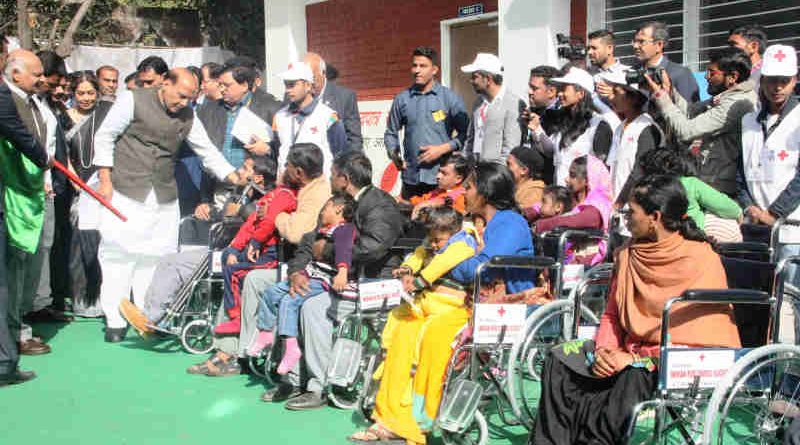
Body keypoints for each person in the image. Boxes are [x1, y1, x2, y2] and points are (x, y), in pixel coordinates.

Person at [531, 175, 741, 445]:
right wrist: (604, 351)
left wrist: (632, 360)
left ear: (655, 217)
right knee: (560, 358)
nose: (625, 217)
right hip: (625, 350)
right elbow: (611, 314)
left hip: (671, 360)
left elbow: (701, 337)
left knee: (634, 375)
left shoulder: (701, 259)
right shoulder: (628, 254)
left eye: (632, 212)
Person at [351, 162, 534, 444]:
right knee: (404, 331)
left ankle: (418, 419)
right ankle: (390, 416)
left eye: (470, 187)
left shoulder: (510, 222)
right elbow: (454, 258)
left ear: (484, 192)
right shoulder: (474, 224)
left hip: (500, 305)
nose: (465, 193)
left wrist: (443, 263)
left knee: (434, 335)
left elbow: (480, 268)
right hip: (466, 301)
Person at [92, 67, 245, 342]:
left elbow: (206, 150)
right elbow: (105, 137)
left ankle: (149, 316)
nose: (183, 103)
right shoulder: (132, 99)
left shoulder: (188, 114)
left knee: (156, 255)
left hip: (163, 193)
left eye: (190, 98)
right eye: (181, 96)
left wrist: (233, 175)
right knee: (119, 254)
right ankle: (114, 319)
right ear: (165, 83)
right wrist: (105, 180)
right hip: (125, 187)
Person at [262, 152, 405, 409]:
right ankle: (293, 379)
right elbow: (309, 240)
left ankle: (318, 386)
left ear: (344, 179)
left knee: (312, 307)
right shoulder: (335, 203)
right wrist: (296, 271)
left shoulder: (380, 205)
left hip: (368, 283)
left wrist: (325, 252)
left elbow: (373, 247)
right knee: (292, 294)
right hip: (330, 278)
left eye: (332, 174)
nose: (328, 178)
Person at [179, 143, 331, 375]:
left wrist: (275, 214)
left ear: (299, 172)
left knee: (251, 279)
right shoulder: (298, 185)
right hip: (284, 259)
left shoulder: (317, 193)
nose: (284, 170)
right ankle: (224, 349)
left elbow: (296, 233)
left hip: (300, 267)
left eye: (288, 166)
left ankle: (238, 354)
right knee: (235, 271)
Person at [250, 192, 357, 375]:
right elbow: (301, 258)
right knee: (272, 292)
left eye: (326, 207)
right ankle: (265, 332)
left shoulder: (345, 229)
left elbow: (344, 250)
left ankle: (291, 346)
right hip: (309, 274)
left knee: (289, 300)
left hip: (324, 278)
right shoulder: (319, 233)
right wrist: (296, 274)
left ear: (338, 209)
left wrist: (342, 271)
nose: (321, 212)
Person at [738, 44, 800, 342]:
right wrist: (749, 207)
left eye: (784, 80)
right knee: (760, 306)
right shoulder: (748, 120)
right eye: (771, 79)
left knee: (793, 305)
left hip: (790, 231)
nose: (777, 87)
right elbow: (741, 169)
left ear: (795, 80)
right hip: (755, 229)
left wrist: (774, 213)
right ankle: (763, 375)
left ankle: (791, 380)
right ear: (761, 80)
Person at [0, 48, 52, 384]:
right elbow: (21, 137)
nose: (41, 79)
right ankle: (4, 363)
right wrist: (43, 157)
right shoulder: (3, 96)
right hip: (9, 198)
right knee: (3, 284)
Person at [648, 46, 757, 198]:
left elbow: (687, 131)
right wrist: (670, 92)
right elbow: (690, 113)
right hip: (712, 180)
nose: (706, 77)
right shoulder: (727, 96)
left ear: (732, 77)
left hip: (723, 188)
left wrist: (662, 98)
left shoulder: (737, 103)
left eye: (712, 73)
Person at [212, 156, 297, 335]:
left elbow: (269, 221)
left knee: (233, 271)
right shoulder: (271, 196)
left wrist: (255, 241)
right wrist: (235, 248)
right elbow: (250, 224)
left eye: (285, 168)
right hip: (258, 250)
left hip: (271, 254)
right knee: (227, 257)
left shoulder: (285, 195)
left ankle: (236, 318)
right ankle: (234, 316)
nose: (280, 173)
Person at [193, 61, 281, 220]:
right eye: (219, 85)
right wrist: (204, 199)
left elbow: (284, 152)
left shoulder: (271, 108)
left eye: (227, 85)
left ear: (244, 85)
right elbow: (206, 155)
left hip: (257, 192)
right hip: (220, 190)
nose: (221, 89)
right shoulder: (209, 110)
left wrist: (268, 149)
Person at [385, 46, 469, 200]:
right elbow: (391, 132)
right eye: (414, 65)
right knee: (410, 219)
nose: (417, 70)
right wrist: (393, 153)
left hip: (441, 178)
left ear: (434, 70)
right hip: (411, 177)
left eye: (423, 66)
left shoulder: (449, 98)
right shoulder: (402, 99)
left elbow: (467, 134)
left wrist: (442, 149)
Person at [63, 71, 113, 317]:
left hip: (103, 188)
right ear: (73, 93)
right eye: (80, 93)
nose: (85, 98)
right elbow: (62, 155)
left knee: (101, 243)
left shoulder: (106, 116)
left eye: (90, 93)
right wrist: (79, 187)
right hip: (76, 187)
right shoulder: (65, 118)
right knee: (77, 245)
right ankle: (81, 299)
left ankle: (104, 297)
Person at [530, 67, 612, 185]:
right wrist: (537, 129)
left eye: (564, 89)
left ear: (580, 93)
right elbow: (552, 151)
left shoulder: (598, 125)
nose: (560, 94)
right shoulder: (563, 121)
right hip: (561, 197)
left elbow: (601, 170)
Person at [641, 147, 743, 243]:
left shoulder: (645, 190)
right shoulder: (689, 183)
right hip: (694, 236)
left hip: (660, 238)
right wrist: (738, 212)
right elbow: (723, 205)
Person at [530, 155, 612, 265]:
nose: (567, 179)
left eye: (572, 175)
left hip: (581, 266)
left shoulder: (598, 204)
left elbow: (576, 220)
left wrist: (541, 225)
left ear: (587, 180)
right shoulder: (572, 197)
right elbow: (543, 205)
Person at [598, 71, 662, 205]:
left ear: (633, 97)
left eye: (616, 93)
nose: (611, 98)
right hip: (615, 203)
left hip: (634, 205)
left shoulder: (647, 127)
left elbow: (639, 171)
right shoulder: (619, 128)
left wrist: (620, 202)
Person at [273, 61, 347, 176]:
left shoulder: (328, 116)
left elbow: (341, 154)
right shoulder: (280, 116)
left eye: (292, 85)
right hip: (287, 186)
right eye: (286, 85)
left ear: (308, 85)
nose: (288, 90)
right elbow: (277, 149)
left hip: (318, 187)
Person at [461, 53, 524, 162]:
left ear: (488, 79)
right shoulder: (479, 102)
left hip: (495, 173)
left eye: (475, 77)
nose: (471, 81)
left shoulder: (513, 103)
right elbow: (471, 137)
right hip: (476, 169)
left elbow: (511, 146)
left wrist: (498, 173)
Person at [303, 52, 363, 151]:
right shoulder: (294, 97)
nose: (309, 83)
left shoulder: (345, 97)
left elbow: (354, 138)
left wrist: (348, 163)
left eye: (313, 78)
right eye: (305, 79)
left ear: (323, 73)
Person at [632, 21, 699, 103]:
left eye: (641, 41)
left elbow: (690, 111)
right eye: (634, 41)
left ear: (659, 45)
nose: (635, 46)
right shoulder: (632, 72)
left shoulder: (680, 73)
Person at [400, 152, 470, 219]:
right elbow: (420, 201)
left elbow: (455, 213)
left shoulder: (462, 197)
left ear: (458, 179)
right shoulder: (440, 190)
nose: (438, 176)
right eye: (439, 171)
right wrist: (401, 201)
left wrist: (434, 203)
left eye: (444, 173)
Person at [522, 65, 561, 184]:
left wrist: (537, 130)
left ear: (551, 92)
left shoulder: (561, 114)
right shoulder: (533, 111)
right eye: (530, 87)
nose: (529, 92)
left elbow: (554, 152)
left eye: (534, 88)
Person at [728, 24, 768, 88]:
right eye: (729, 45)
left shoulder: (768, 73)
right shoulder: (730, 73)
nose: (728, 49)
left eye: (733, 44)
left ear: (753, 46)